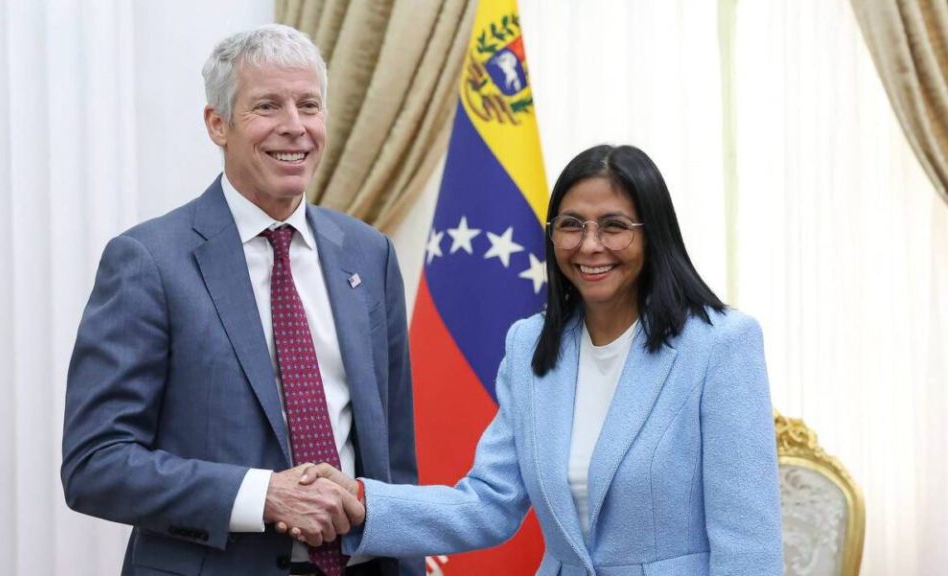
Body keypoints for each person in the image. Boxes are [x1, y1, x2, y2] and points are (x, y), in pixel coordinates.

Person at [298, 144, 784, 575]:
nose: (589, 245)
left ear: (653, 234)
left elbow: (748, 547)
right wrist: (363, 501)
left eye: (614, 226)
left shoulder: (721, 345)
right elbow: (489, 503)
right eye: (571, 225)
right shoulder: (529, 344)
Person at [60, 24, 422, 576]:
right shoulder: (148, 262)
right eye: (267, 106)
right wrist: (262, 496)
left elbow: (396, 459)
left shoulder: (369, 255)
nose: (295, 126)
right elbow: (96, 464)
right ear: (218, 124)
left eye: (309, 105)